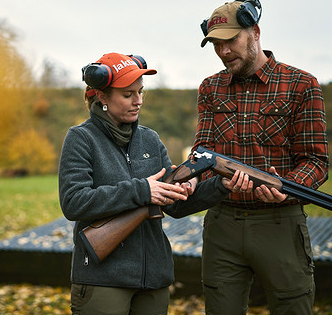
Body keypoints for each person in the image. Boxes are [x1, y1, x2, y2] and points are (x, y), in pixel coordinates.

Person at [58, 52, 250, 315]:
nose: (138, 101)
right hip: (103, 279)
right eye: (128, 95)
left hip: (155, 280)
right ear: (102, 97)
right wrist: (143, 190)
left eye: (141, 92)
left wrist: (221, 185)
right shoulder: (81, 138)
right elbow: (74, 202)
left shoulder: (150, 139)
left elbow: (176, 206)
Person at [194, 0, 329, 314]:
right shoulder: (209, 88)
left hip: (280, 224)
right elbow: (201, 154)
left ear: (255, 31)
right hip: (222, 224)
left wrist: (285, 187)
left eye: (230, 41)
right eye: (215, 44)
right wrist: (214, 181)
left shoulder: (301, 84)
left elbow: (316, 161)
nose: (223, 51)